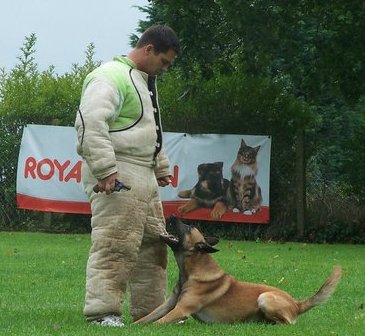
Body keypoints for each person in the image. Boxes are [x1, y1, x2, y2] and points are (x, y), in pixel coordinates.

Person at [74, 25, 180, 327]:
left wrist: (160, 166)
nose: (166, 69)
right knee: (115, 243)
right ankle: (101, 313)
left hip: (141, 173)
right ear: (149, 50)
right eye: (164, 62)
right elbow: (90, 121)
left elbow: (147, 130)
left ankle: (151, 313)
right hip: (118, 171)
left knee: (153, 244)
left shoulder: (144, 79)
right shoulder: (109, 76)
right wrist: (105, 170)